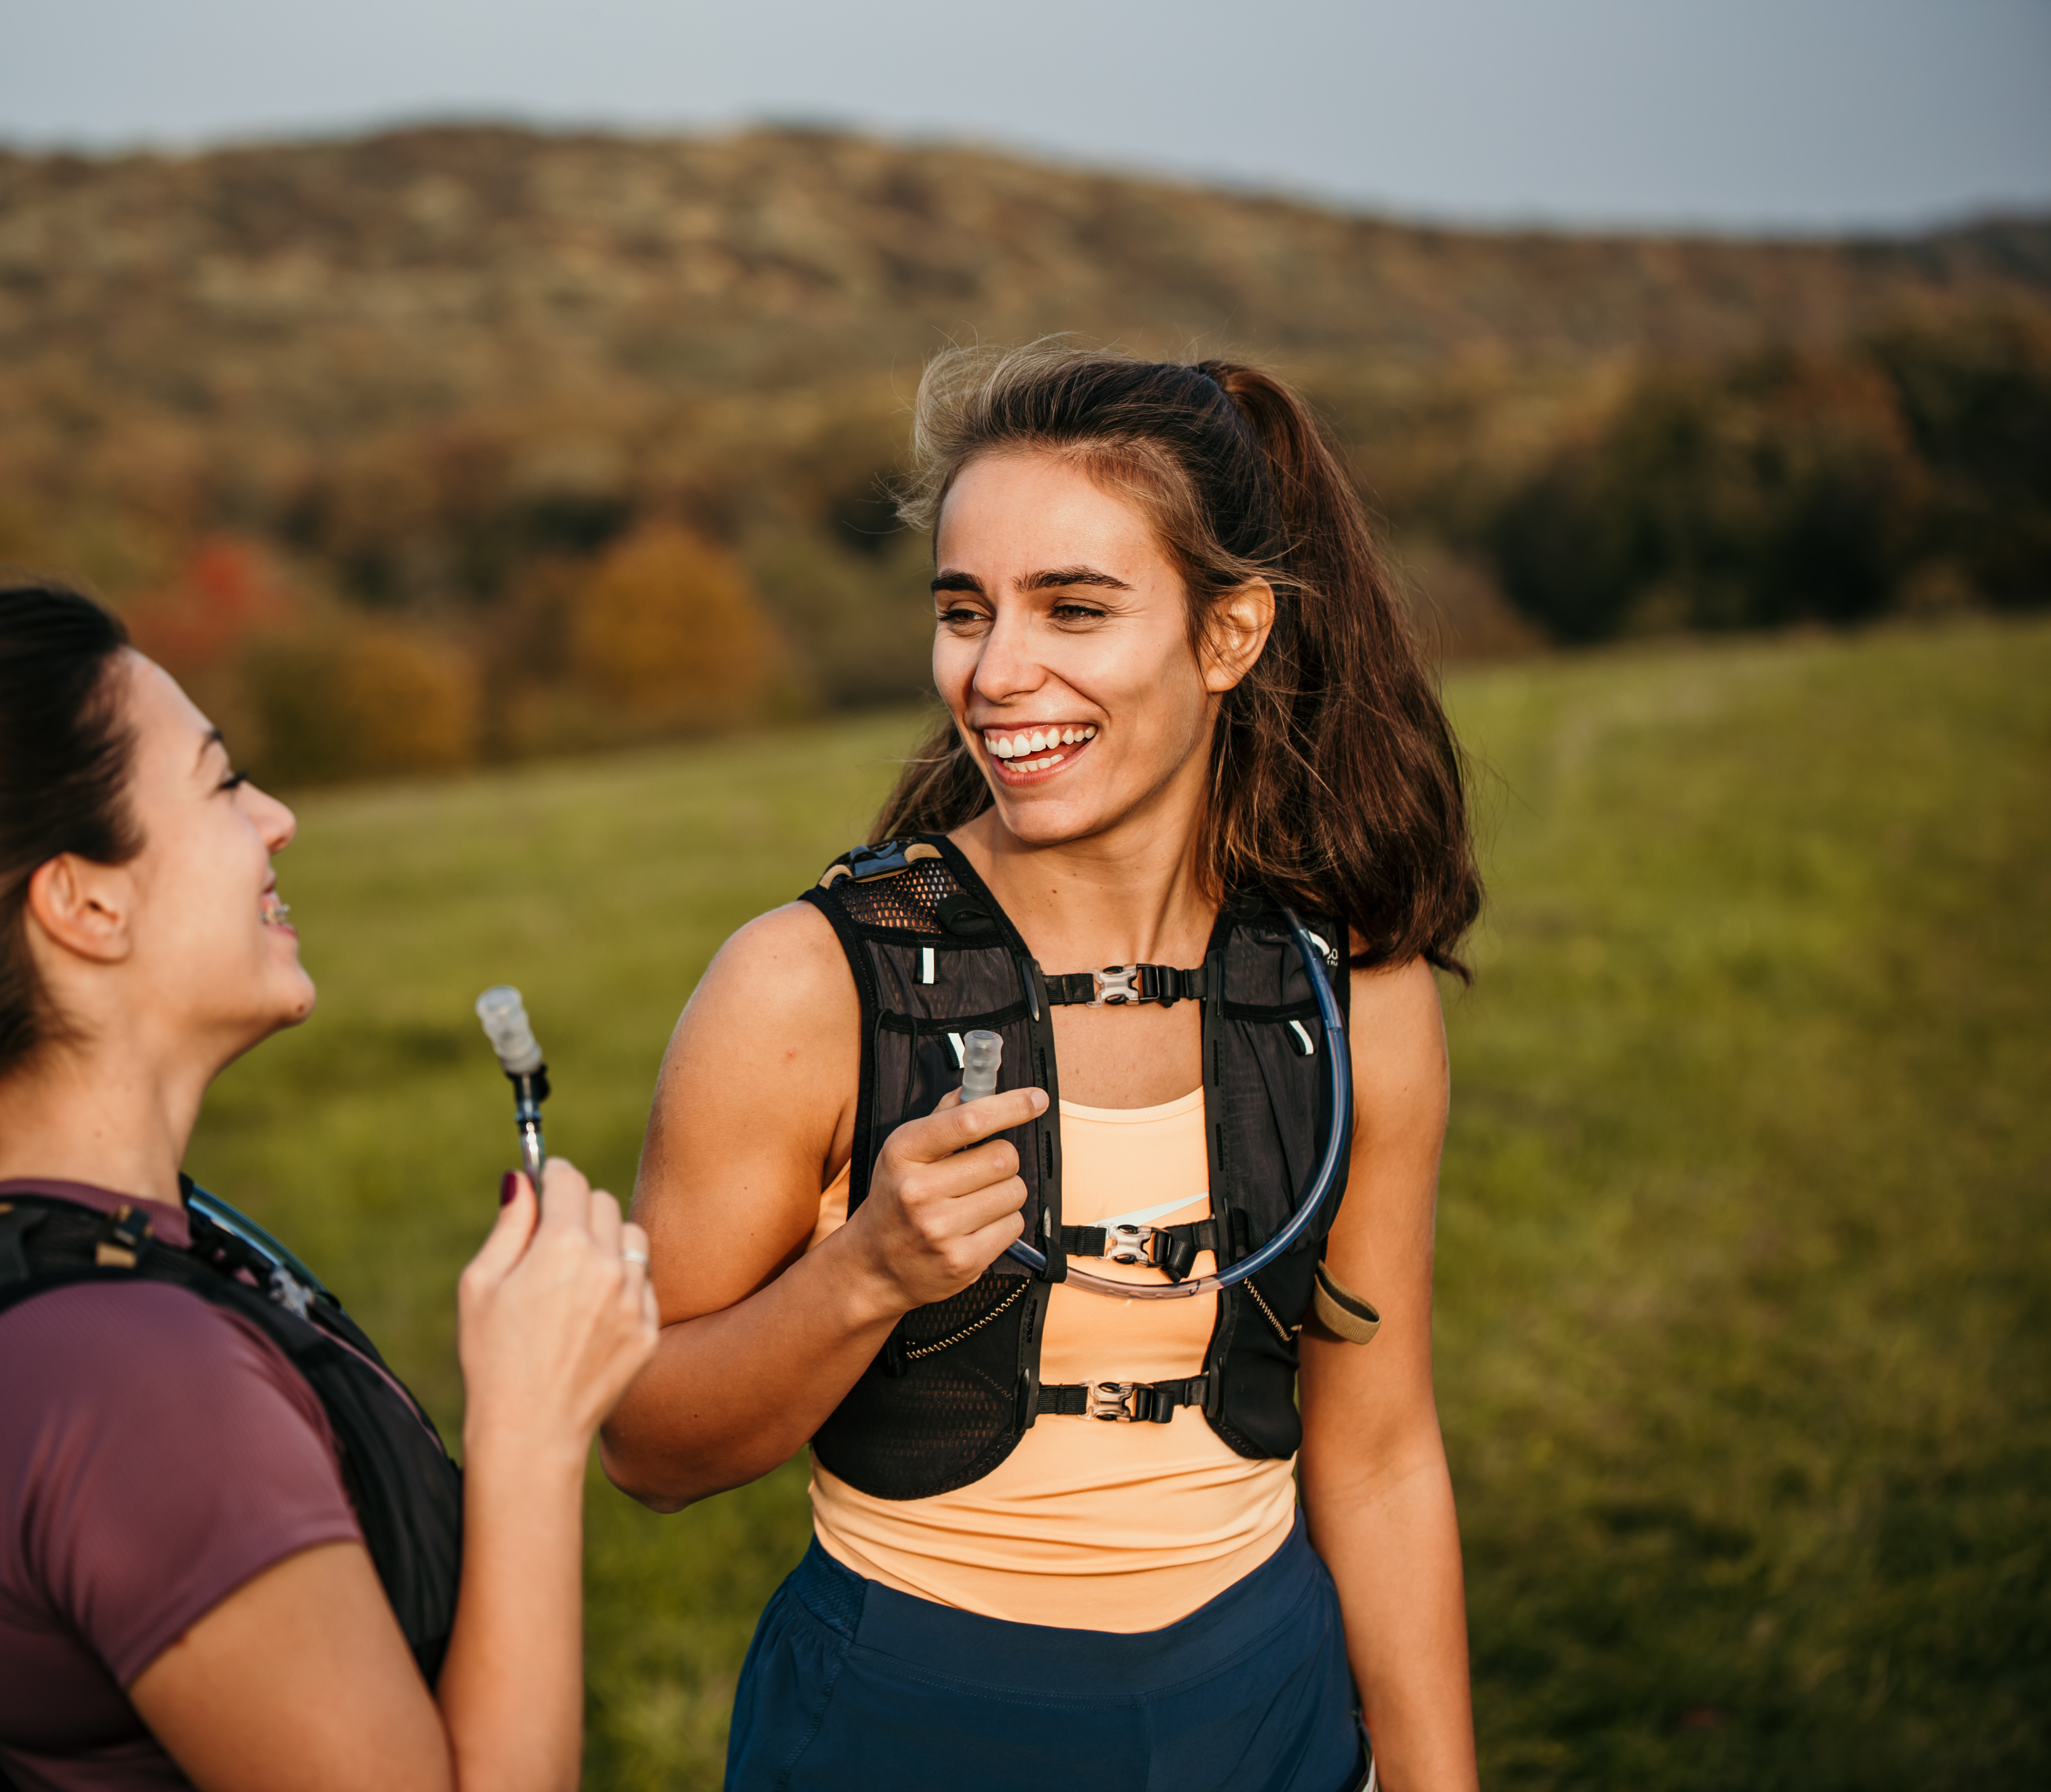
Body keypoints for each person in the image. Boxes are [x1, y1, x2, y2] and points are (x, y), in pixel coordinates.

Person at [602, 345, 1483, 1792]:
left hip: (1266, 1715)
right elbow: (648, 1444)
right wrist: (866, 1273)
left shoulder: (1350, 991)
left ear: (1231, 635)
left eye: (1074, 606)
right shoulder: (805, 983)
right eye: (966, 610)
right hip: (904, 1726)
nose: (999, 673)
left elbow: (1380, 1457)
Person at [0, 583, 660, 1792]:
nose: (276, 819)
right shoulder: (130, 1386)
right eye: (223, 783)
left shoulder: (23, 1259)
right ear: (84, 901)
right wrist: (532, 1430)